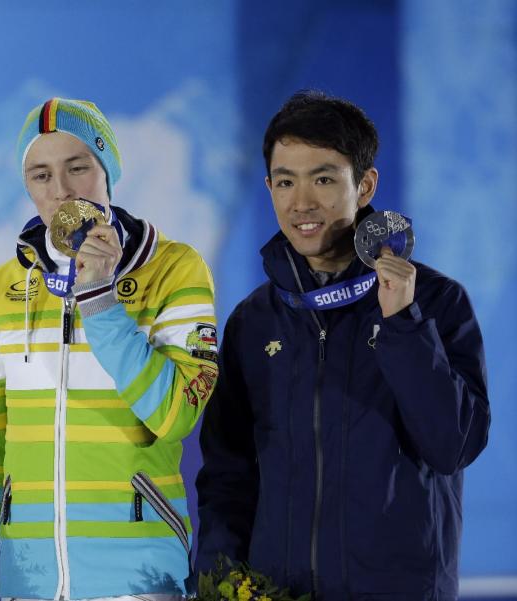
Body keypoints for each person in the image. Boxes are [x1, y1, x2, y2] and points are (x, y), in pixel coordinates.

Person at [195, 90, 490, 599]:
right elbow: (227, 474)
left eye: (325, 178)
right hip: (277, 591)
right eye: (285, 181)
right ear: (269, 187)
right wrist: (217, 581)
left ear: (366, 185)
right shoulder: (255, 319)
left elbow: (454, 445)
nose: (302, 202)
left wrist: (403, 323)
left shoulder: (436, 303)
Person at [0, 98, 219, 601]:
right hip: (30, 581)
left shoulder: (175, 269)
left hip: (140, 580)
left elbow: (175, 415)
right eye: (40, 175)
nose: (62, 191)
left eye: (78, 168)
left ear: (107, 169)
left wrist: (101, 301)